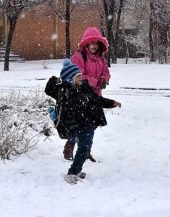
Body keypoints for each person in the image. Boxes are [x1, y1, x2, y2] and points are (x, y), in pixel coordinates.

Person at [54, 59, 121, 184]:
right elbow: (67, 110)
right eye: (77, 76)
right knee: (83, 149)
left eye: (80, 75)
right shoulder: (68, 93)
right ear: (70, 79)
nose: (80, 78)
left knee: (86, 148)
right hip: (78, 125)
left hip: (89, 124)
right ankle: (72, 172)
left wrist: (112, 103)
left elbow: (98, 99)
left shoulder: (85, 89)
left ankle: (77, 170)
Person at [64, 27, 111, 162]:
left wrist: (104, 80)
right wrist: (96, 81)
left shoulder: (101, 59)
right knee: (80, 125)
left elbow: (106, 73)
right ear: (86, 43)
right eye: (92, 43)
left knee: (92, 126)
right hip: (81, 98)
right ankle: (71, 144)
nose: (94, 46)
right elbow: (77, 77)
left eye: (97, 43)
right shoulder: (78, 57)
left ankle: (86, 150)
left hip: (95, 97)